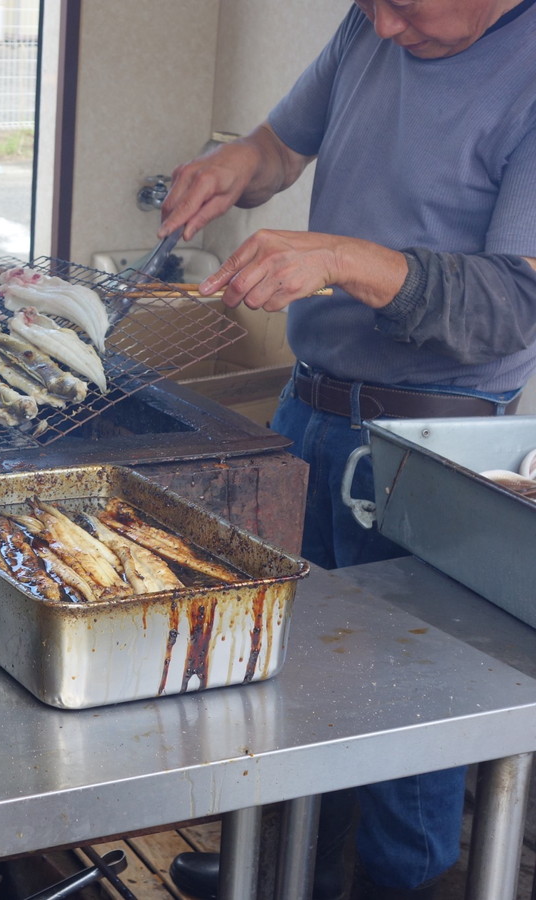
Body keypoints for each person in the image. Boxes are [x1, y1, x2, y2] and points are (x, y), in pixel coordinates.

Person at [155, 1, 536, 899]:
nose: (386, 30)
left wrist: (339, 258)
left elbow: (513, 306)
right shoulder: (374, 18)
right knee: (280, 669)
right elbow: (283, 146)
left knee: (413, 696)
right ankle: (280, 866)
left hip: (431, 443)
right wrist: (232, 168)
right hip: (308, 405)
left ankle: (397, 883)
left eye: (408, 8)